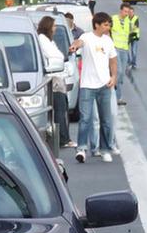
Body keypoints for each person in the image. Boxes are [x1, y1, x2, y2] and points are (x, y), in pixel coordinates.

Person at [68, 12, 118, 163]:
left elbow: (113, 61)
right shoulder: (87, 37)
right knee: (86, 118)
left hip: (104, 85)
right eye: (105, 24)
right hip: (88, 86)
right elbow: (79, 43)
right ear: (97, 25)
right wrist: (74, 46)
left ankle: (105, 149)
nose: (108, 27)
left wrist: (113, 77)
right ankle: (81, 149)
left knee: (106, 120)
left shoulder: (108, 41)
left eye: (109, 25)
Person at [37, 16, 75, 148]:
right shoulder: (43, 40)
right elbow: (56, 57)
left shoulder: (48, 40)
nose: (55, 29)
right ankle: (63, 139)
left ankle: (63, 137)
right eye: (53, 26)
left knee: (61, 108)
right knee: (59, 109)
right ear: (48, 27)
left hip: (58, 76)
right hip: (54, 79)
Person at [110, 3, 132, 105]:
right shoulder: (113, 19)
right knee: (118, 72)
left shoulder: (128, 21)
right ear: (121, 10)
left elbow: (128, 34)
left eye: (128, 12)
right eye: (125, 11)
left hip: (125, 49)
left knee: (122, 74)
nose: (126, 13)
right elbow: (107, 31)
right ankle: (114, 95)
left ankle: (118, 96)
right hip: (116, 48)